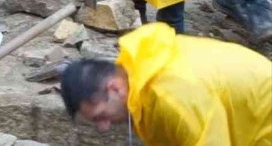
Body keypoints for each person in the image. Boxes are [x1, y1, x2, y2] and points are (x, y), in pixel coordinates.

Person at [60, 23, 272, 145]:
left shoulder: (172, 97)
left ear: (114, 87)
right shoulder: (140, 69)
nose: (103, 128)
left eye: (101, 116)